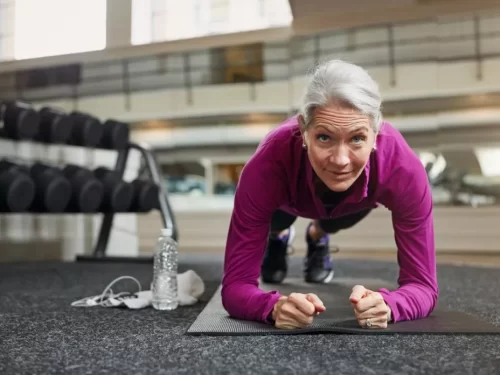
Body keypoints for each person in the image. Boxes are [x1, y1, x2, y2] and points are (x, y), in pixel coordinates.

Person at [221, 59, 438, 330]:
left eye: (357, 138)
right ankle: (278, 237)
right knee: (277, 224)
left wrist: (390, 305)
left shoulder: (403, 169)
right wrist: (273, 307)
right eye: (324, 137)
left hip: (354, 204)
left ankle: (317, 235)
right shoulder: (267, 165)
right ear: (303, 130)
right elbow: (234, 288)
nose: (340, 160)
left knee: (333, 220)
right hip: (285, 204)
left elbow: (424, 286)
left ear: (376, 133)